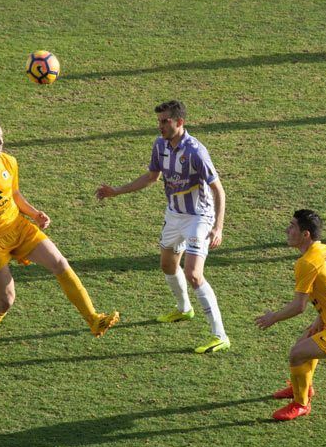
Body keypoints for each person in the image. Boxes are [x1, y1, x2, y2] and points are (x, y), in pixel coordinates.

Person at [0, 117, 119, 365]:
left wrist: (34, 214)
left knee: (59, 263)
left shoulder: (9, 162)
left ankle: (94, 319)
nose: (0, 141)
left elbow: (13, 194)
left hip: (19, 227)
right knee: (5, 300)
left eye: (1, 135)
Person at [96, 100, 229, 353]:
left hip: (198, 218)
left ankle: (220, 335)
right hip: (174, 214)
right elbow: (151, 177)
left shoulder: (196, 152)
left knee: (193, 273)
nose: (160, 126)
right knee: (168, 264)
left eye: (165, 121)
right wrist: (116, 192)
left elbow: (218, 190)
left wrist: (218, 226)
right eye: (159, 121)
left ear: (180, 122)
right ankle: (184, 309)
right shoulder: (160, 146)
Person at [255, 210, 326, 421]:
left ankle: (301, 404)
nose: (287, 230)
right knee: (304, 343)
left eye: (292, 227)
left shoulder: (307, 263)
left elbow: (299, 306)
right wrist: (322, 317)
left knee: (297, 354)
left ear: (305, 234)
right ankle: (303, 387)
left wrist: (273, 317)